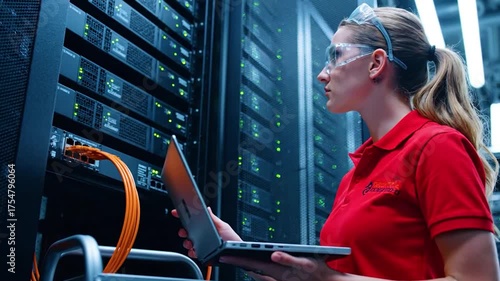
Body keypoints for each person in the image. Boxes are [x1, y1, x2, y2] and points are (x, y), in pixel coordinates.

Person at [172, 3, 500, 281]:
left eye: (335, 56)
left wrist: (333, 279)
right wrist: (239, 252)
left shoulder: (438, 147)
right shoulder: (355, 175)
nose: (322, 74)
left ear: (376, 63)